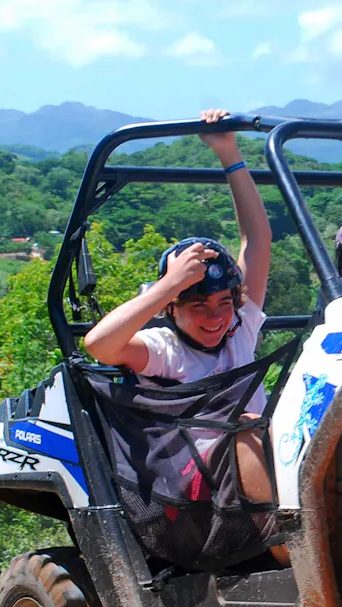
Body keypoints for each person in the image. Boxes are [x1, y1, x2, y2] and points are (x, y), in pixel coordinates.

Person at [84, 109, 286, 563]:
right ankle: (297, 558)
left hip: (261, 461)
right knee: (251, 437)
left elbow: (258, 239)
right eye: (198, 306)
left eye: (222, 303)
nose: (215, 317)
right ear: (171, 309)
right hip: (195, 490)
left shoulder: (239, 327)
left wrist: (228, 152)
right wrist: (168, 285)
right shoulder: (163, 350)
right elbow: (99, 346)